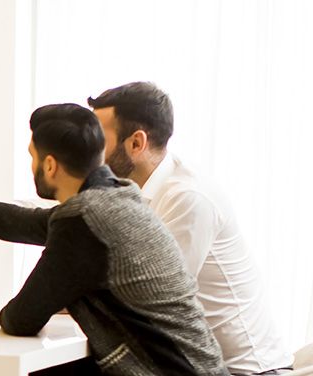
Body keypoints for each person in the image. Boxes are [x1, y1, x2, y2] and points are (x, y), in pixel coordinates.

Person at [0, 104, 228, 375]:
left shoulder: (83, 218)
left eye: (32, 157)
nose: (31, 165)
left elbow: (19, 319)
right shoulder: (121, 197)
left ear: (50, 166)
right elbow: (30, 221)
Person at [88, 82, 291, 375]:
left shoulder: (188, 198)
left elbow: (151, 299)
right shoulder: (136, 192)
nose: (90, 149)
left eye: (98, 139)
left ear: (136, 143)